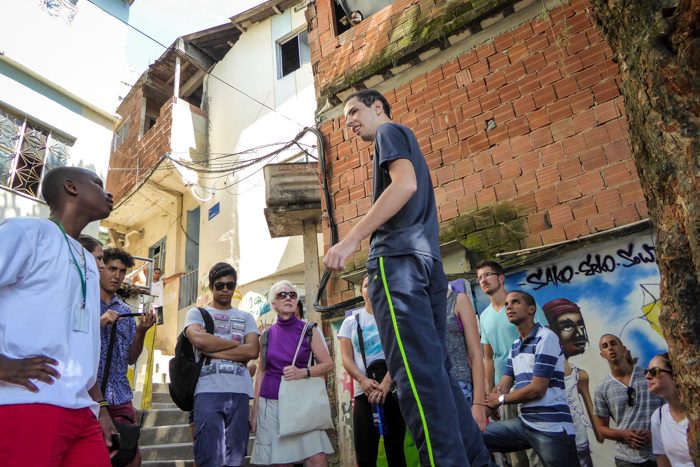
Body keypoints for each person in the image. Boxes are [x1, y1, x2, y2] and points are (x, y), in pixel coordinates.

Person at [323, 88, 490, 467]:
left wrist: (349, 241)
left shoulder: (388, 132)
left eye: (353, 111)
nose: (348, 121)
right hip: (427, 264)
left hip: (396, 262)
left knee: (414, 378)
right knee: (436, 374)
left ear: (377, 107)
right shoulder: (404, 138)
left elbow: (404, 185)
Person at [0, 166, 115, 466]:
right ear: (71, 187)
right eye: (98, 184)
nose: (109, 193)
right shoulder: (26, 233)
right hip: (27, 403)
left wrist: (100, 407)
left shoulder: (90, 262)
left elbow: (84, 344)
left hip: (82, 411)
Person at [482, 291, 578, 466]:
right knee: (474, 435)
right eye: (506, 305)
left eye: (515, 302)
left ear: (531, 309)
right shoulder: (515, 346)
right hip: (525, 424)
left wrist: (502, 399)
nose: (509, 307)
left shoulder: (546, 337)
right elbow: (502, 387)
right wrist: (479, 416)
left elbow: (537, 389)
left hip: (551, 427)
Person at [250, 280, 334, 466]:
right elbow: (261, 372)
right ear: (273, 304)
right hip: (271, 404)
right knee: (281, 462)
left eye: (292, 295)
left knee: (317, 459)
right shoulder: (266, 335)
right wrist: (255, 411)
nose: (288, 298)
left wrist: (302, 372)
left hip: (301, 403)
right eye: (282, 295)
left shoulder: (309, 330)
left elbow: (328, 364)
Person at [184, 262, 259, 467]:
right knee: (209, 456)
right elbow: (199, 341)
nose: (225, 289)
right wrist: (237, 346)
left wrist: (213, 347)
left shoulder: (246, 317)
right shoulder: (197, 314)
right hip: (207, 390)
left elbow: (253, 351)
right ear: (211, 287)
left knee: (235, 458)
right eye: (220, 285)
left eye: (230, 285)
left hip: (239, 392)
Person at [476, 260, 547, 467]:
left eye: (487, 275)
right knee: (516, 457)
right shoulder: (485, 316)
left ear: (501, 277)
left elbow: (543, 340)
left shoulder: (521, 304)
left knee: (538, 451)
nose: (483, 280)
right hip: (502, 393)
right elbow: (488, 358)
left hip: (529, 385)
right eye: (479, 278)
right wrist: (490, 394)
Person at [338, 275, 407, 466]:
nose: (371, 288)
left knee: (396, 450)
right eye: (366, 285)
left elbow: (400, 353)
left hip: (393, 391)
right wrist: (362, 380)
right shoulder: (351, 322)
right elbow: (346, 358)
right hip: (364, 393)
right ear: (362, 292)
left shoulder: (393, 317)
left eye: (376, 284)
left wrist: (386, 384)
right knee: (365, 453)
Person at [98, 248, 157, 466]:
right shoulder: (83, 304)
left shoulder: (125, 310)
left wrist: (141, 331)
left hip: (121, 395)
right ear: (100, 268)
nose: (117, 276)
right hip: (89, 397)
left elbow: (131, 358)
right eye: (112, 269)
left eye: (122, 271)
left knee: (132, 458)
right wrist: (98, 324)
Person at [543, 298, 603, 467]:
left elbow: (598, 430)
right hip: (556, 449)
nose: (579, 333)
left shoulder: (581, 376)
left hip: (581, 447)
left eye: (580, 325)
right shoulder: (542, 376)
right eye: (568, 326)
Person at [593, 334, 663, 466]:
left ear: (624, 348)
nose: (610, 348)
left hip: (660, 453)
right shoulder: (602, 389)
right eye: (605, 346)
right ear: (602, 355)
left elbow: (670, 409)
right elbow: (601, 428)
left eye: (613, 343)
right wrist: (623, 434)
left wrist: (655, 433)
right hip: (626, 458)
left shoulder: (650, 376)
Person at [445, 279, 488, 431]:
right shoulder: (418, 306)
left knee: (469, 447)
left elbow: (476, 354)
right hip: (432, 391)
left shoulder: (457, 299)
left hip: (460, 387)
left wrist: (479, 403)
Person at [646, 353, 692, 467]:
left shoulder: (695, 411)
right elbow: (663, 461)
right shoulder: (658, 417)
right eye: (646, 372)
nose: (647, 376)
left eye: (654, 371)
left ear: (675, 374)